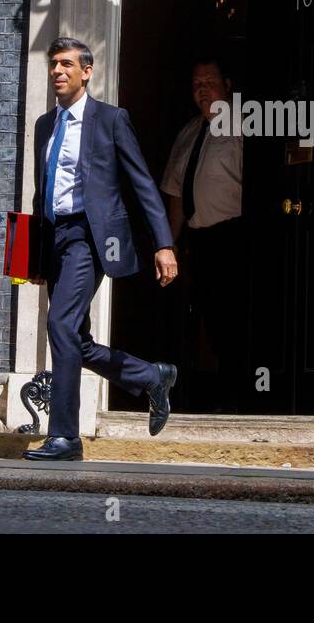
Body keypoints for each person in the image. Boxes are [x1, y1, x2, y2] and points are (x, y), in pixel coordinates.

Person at [22, 37, 179, 462]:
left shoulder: (110, 120)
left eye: (67, 64)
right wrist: (35, 256)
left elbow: (143, 184)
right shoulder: (44, 125)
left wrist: (163, 244)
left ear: (86, 71)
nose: (58, 71)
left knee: (59, 325)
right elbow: (42, 195)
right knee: (76, 338)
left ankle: (65, 436)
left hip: (90, 239)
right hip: (54, 240)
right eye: (54, 64)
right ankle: (152, 376)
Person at [161, 56, 245, 413]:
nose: (203, 89)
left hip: (236, 238)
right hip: (200, 241)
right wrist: (170, 242)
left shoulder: (246, 126)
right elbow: (176, 194)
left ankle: (243, 396)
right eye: (197, 84)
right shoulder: (188, 133)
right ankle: (212, 395)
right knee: (207, 319)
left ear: (227, 85)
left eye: (210, 81)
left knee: (236, 320)